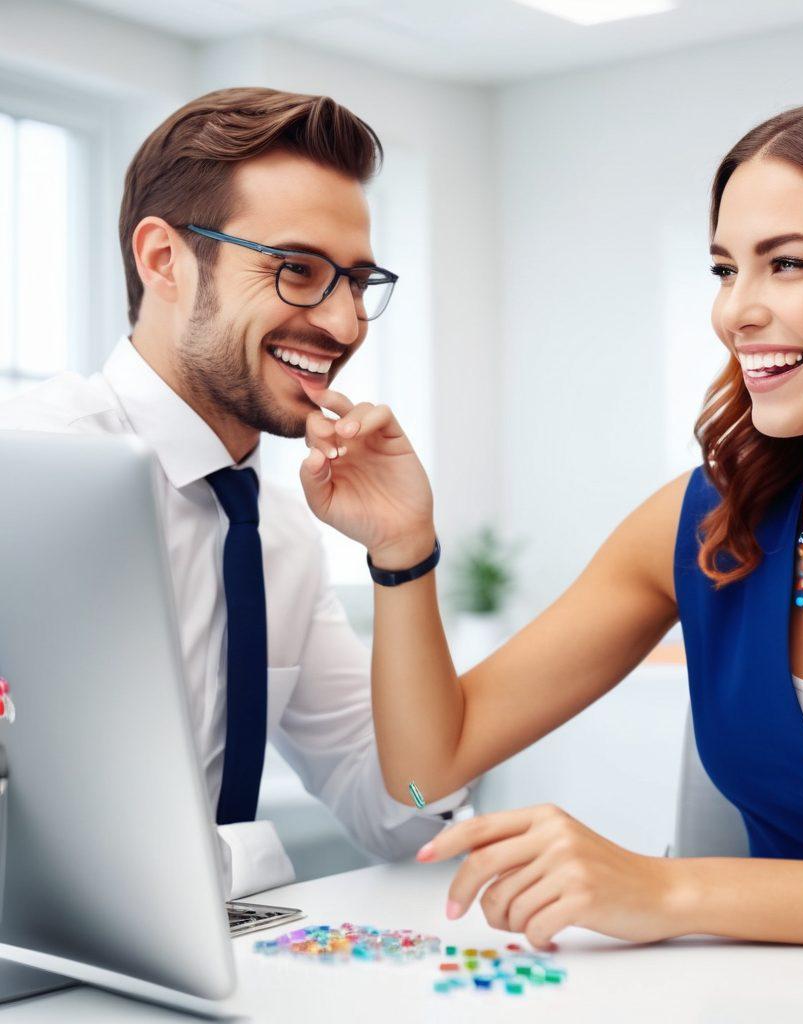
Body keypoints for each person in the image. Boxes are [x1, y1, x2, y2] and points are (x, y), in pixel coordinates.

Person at [297, 91, 803, 950]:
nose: (735, 310)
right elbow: (422, 779)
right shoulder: (704, 524)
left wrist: (669, 891)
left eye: (787, 264)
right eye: (725, 269)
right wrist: (403, 552)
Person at [0, 87, 470, 899]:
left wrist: (403, 555)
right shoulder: (24, 468)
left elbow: (405, 815)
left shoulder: (274, 534)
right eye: (297, 271)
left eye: (357, 282)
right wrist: (247, 860)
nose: (346, 324)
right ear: (163, 260)